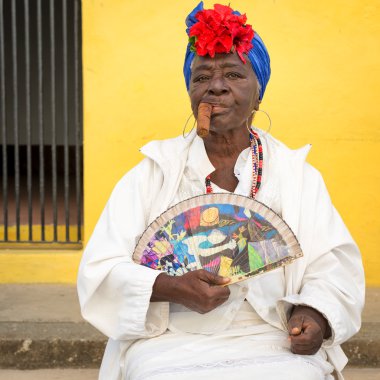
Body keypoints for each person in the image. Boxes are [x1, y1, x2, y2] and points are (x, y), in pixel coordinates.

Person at [77, 3, 364, 379]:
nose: (215, 86)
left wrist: (312, 313)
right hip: (169, 338)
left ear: (258, 94)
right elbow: (100, 268)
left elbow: (333, 266)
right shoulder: (154, 173)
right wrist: (170, 286)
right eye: (201, 78)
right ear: (191, 94)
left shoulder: (295, 175)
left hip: (272, 334)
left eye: (233, 73)